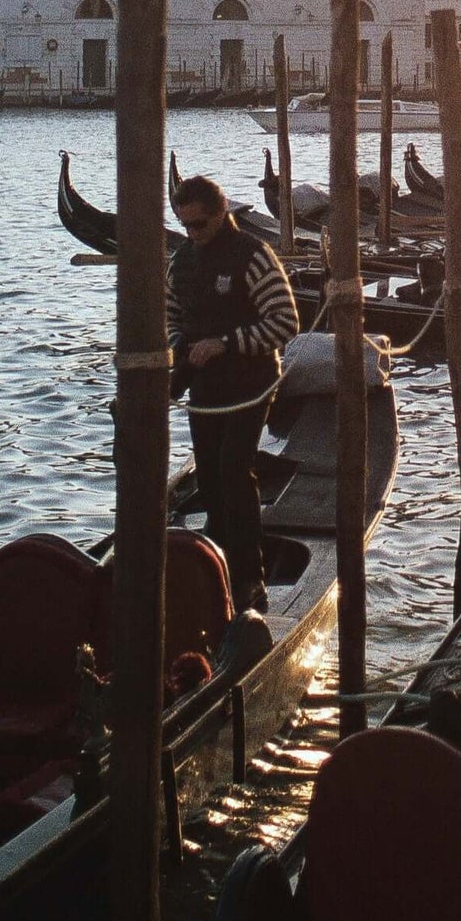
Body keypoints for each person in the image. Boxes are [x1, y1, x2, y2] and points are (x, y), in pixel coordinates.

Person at [167, 174, 299, 615]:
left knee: (233, 471)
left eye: (200, 225)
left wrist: (226, 342)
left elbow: (285, 322)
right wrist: (181, 349)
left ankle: (249, 578)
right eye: (185, 226)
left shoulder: (253, 257)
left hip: (251, 383)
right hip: (205, 387)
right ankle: (216, 569)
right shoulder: (181, 264)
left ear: (221, 215)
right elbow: (169, 321)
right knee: (208, 477)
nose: (192, 235)